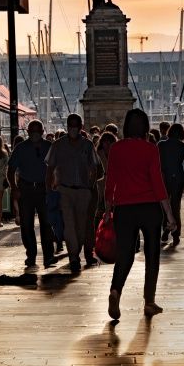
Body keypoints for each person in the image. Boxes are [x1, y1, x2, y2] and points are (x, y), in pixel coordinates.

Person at [104, 109, 176, 320]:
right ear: (145, 127)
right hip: (150, 208)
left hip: (124, 208)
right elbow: (158, 183)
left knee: (125, 253)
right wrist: (170, 215)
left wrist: (108, 210)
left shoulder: (116, 149)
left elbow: (111, 181)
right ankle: (149, 302)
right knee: (152, 254)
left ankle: (115, 291)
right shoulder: (150, 149)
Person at [45, 113, 101, 273]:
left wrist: (90, 184)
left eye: (76, 126)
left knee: (82, 226)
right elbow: (50, 168)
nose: (73, 129)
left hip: (83, 190)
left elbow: (95, 166)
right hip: (65, 190)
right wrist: (49, 189)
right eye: (71, 126)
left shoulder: (88, 145)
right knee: (69, 224)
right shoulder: (58, 145)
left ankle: (77, 250)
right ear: (67, 126)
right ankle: (73, 257)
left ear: (80, 127)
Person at [7, 120, 57, 269]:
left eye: (37, 130)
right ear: (27, 132)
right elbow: (10, 170)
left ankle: (48, 256)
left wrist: (54, 185)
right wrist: (14, 187)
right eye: (32, 130)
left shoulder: (49, 147)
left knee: (47, 224)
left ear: (42, 131)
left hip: (44, 189)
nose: (35, 133)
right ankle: (31, 255)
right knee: (26, 224)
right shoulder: (20, 148)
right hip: (26, 189)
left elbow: (56, 168)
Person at [158, 123, 184, 246]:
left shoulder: (160, 145)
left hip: (164, 178)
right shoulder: (183, 146)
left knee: (165, 207)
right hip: (178, 177)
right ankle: (176, 234)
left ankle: (165, 229)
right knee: (176, 207)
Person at [95, 130, 118, 229]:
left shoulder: (118, 153)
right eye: (105, 142)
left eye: (110, 142)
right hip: (101, 185)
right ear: (102, 142)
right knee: (100, 210)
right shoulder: (98, 154)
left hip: (116, 186)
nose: (107, 144)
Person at [11, 135, 24, 225]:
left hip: (15, 176)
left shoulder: (13, 152)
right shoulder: (25, 151)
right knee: (23, 197)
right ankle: (23, 214)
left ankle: (18, 214)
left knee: (15, 197)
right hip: (23, 177)